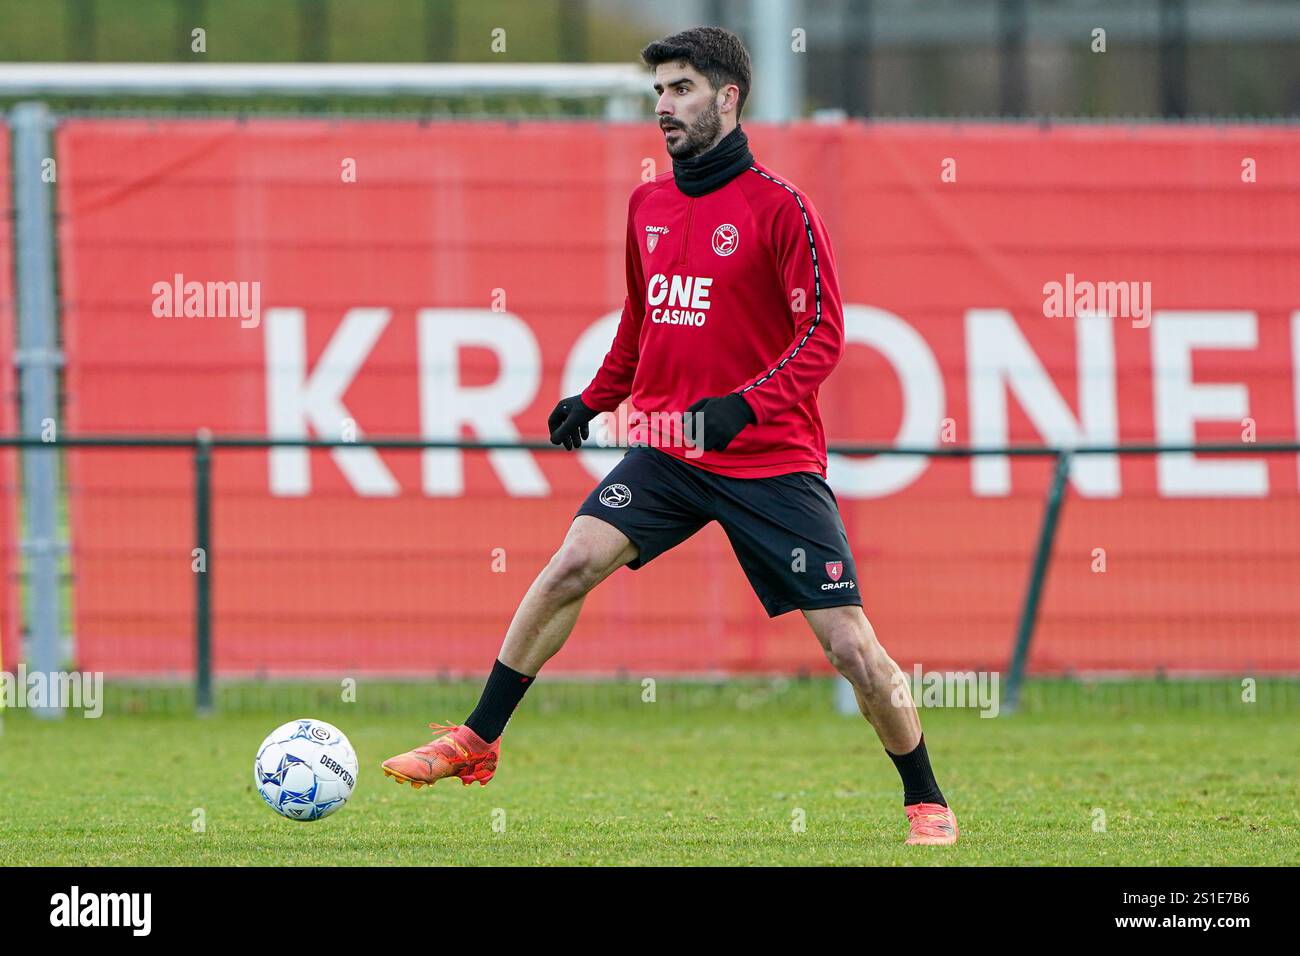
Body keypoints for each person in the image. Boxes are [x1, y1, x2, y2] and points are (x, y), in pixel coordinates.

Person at [383, 25, 957, 846]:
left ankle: (926, 799)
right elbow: (642, 320)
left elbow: (824, 333)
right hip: (670, 447)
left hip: (768, 461)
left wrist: (748, 405)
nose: (664, 106)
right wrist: (596, 395)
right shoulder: (647, 204)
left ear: (728, 97)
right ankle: (476, 739)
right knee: (571, 562)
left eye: (681, 88)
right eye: (658, 90)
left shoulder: (780, 206)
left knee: (850, 648)